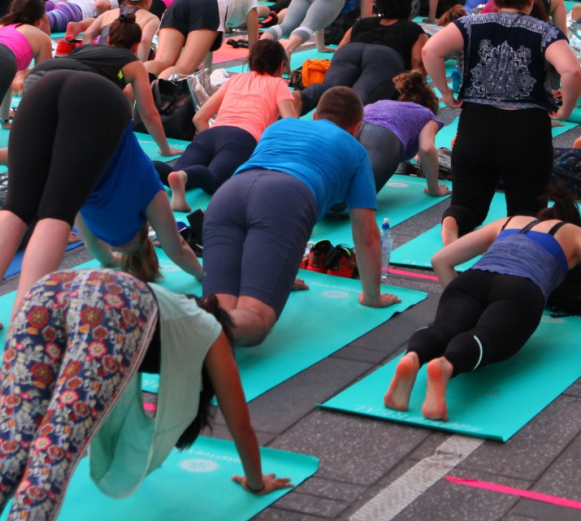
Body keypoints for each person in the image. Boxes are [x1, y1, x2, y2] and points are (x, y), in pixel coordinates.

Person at [0, 270, 288, 521]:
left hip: (46, 292)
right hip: (110, 305)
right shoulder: (210, 331)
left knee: (8, 452)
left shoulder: (175, 309)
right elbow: (241, 425)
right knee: (52, 454)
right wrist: (256, 483)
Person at [384, 194, 581, 421]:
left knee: (444, 328)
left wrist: (466, 307)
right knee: (488, 339)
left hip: (472, 280)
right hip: (521, 288)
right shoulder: (577, 235)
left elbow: (441, 259)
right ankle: (447, 365)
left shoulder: (510, 222)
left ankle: (413, 356)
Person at [200, 86, 401, 345]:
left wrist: (277, 273)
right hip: (285, 197)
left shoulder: (279, 127)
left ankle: (179, 323)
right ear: (357, 128)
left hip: (229, 194)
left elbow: (264, 206)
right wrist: (372, 297)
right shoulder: (355, 149)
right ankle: (173, 329)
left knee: (217, 309)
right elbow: (367, 235)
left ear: (315, 115)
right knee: (254, 321)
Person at [421, 0, 581, 242]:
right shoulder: (544, 32)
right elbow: (572, 72)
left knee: (465, 206)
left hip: (476, 127)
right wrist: (565, 108)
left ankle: (450, 236)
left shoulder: (470, 25)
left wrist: (446, 92)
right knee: (527, 213)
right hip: (526, 132)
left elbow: (430, 50)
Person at [0, 70, 137, 336]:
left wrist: (106, 256)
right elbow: (84, 208)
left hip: (43, 85)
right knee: (58, 211)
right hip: (101, 99)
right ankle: (24, 318)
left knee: (16, 205)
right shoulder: (121, 96)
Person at [155, 37, 298, 211]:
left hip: (210, 135)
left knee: (173, 172)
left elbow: (199, 118)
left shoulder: (235, 80)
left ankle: (151, 168)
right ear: (281, 66)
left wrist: (211, 140)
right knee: (214, 180)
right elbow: (291, 124)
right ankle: (184, 176)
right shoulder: (278, 84)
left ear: (250, 62)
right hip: (242, 138)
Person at [358, 70, 448, 196]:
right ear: (429, 108)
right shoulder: (426, 114)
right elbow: (427, 149)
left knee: (332, 192)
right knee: (350, 201)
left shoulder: (383, 104)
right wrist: (435, 190)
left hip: (352, 130)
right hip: (382, 137)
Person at [148, 0, 261, 79]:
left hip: (180, 2)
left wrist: (207, 76)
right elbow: (254, 48)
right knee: (184, 68)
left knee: (162, 61)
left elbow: (206, 47)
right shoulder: (252, 4)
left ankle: (133, 86)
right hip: (208, 3)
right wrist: (256, 77)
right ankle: (157, 92)